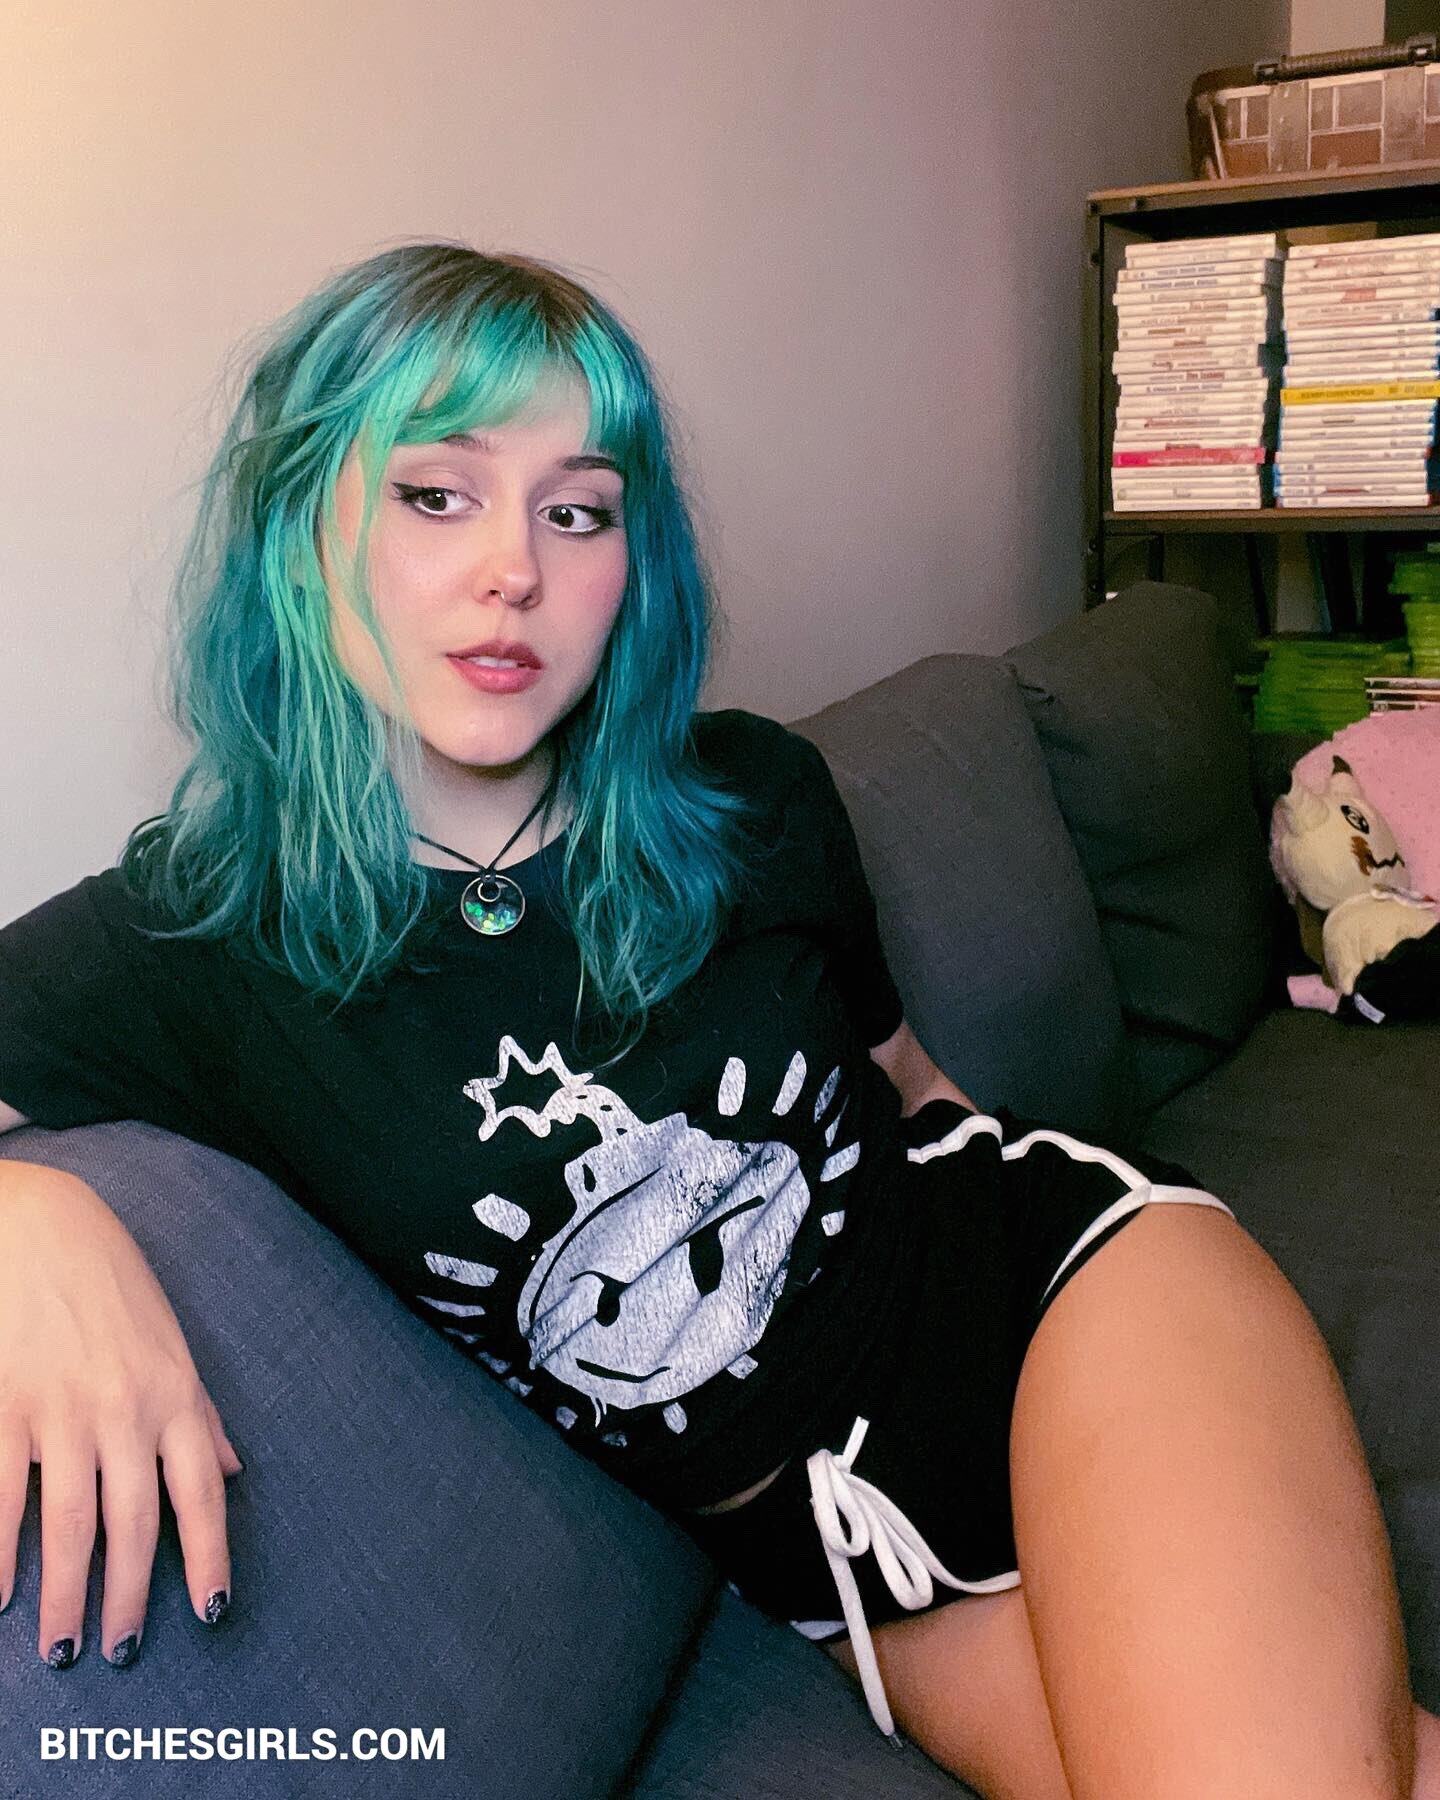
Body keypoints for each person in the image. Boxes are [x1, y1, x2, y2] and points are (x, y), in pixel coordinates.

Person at [0, 240, 1435, 1799]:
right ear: (300, 528)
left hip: (1061, 1312)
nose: (514, 569)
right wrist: (32, 1221)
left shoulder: (753, 796)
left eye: (578, 511)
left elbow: (912, 1087)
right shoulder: (192, 937)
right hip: (840, 1576)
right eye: (437, 494)